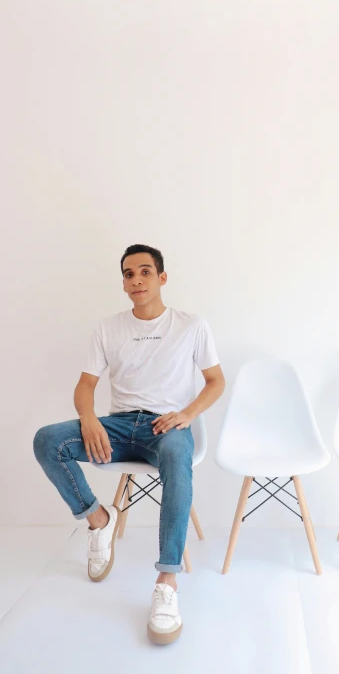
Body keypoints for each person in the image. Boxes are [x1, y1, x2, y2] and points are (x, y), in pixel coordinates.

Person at [33, 244, 225, 645]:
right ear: (123, 282)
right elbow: (86, 385)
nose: (135, 280)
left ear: (161, 278)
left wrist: (187, 415)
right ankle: (99, 520)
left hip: (166, 426)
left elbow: (215, 381)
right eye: (127, 274)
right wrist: (89, 419)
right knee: (48, 440)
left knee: (176, 455)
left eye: (144, 272)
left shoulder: (191, 325)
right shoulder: (108, 327)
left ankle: (167, 582)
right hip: (118, 427)